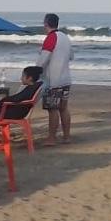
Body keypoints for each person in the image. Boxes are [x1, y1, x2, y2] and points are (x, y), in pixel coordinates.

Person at [36, 13, 73, 145]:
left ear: (46, 23)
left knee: (53, 109)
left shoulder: (51, 38)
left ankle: (52, 138)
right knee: (64, 108)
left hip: (54, 80)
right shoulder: (65, 37)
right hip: (66, 78)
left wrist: (35, 71)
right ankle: (67, 136)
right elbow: (71, 56)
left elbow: (43, 60)